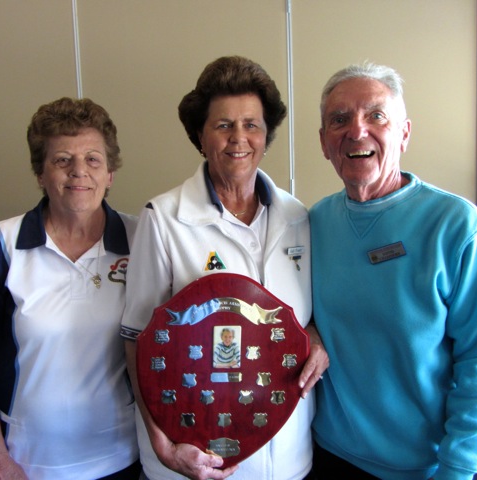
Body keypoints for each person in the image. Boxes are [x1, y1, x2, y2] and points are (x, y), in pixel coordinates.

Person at [120, 55, 329, 480]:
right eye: (223, 125)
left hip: (287, 454)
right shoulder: (164, 218)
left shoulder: (298, 217)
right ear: (200, 135)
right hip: (192, 455)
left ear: (267, 134)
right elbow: (135, 340)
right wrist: (163, 447)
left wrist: (315, 341)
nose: (239, 138)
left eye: (251, 124)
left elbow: (301, 316)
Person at [309, 62, 477, 480]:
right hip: (326, 452)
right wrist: (309, 328)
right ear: (324, 143)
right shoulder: (313, 223)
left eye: (376, 115)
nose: (357, 130)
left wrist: (457, 468)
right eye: (339, 119)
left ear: (404, 133)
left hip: (424, 467)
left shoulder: (458, 227)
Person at [0, 97, 141, 479]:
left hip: (122, 457)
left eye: (92, 159)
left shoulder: (142, 240)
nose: (78, 172)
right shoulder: (3, 243)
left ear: (110, 173)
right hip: (25, 463)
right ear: (41, 173)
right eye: (62, 160)